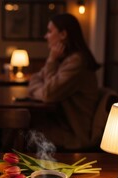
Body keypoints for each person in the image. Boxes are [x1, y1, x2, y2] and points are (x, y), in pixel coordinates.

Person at [28, 13, 100, 151]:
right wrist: (42, 91)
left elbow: (48, 94)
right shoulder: (66, 59)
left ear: (63, 34)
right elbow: (34, 79)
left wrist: (51, 61)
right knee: (23, 127)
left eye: (50, 31)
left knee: (23, 131)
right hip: (61, 123)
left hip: (74, 132)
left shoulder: (77, 61)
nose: (46, 36)